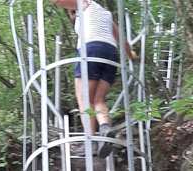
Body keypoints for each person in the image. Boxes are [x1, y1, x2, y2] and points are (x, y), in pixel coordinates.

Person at [54, 0, 137, 157]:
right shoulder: (105, 14)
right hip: (110, 54)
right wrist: (131, 55)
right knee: (98, 99)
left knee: (84, 100)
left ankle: (90, 142)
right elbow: (121, 39)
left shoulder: (83, 3)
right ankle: (105, 128)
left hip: (90, 50)